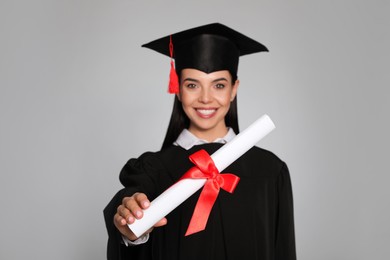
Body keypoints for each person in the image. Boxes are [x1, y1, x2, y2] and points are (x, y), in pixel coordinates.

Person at [104, 23, 296, 260]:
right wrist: (130, 227)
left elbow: (283, 250)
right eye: (192, 85)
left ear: (234, 89)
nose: (206, 98)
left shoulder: (269, 170)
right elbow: (130, 215)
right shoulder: (153, 170)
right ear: (178, 89)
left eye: (219, 85)